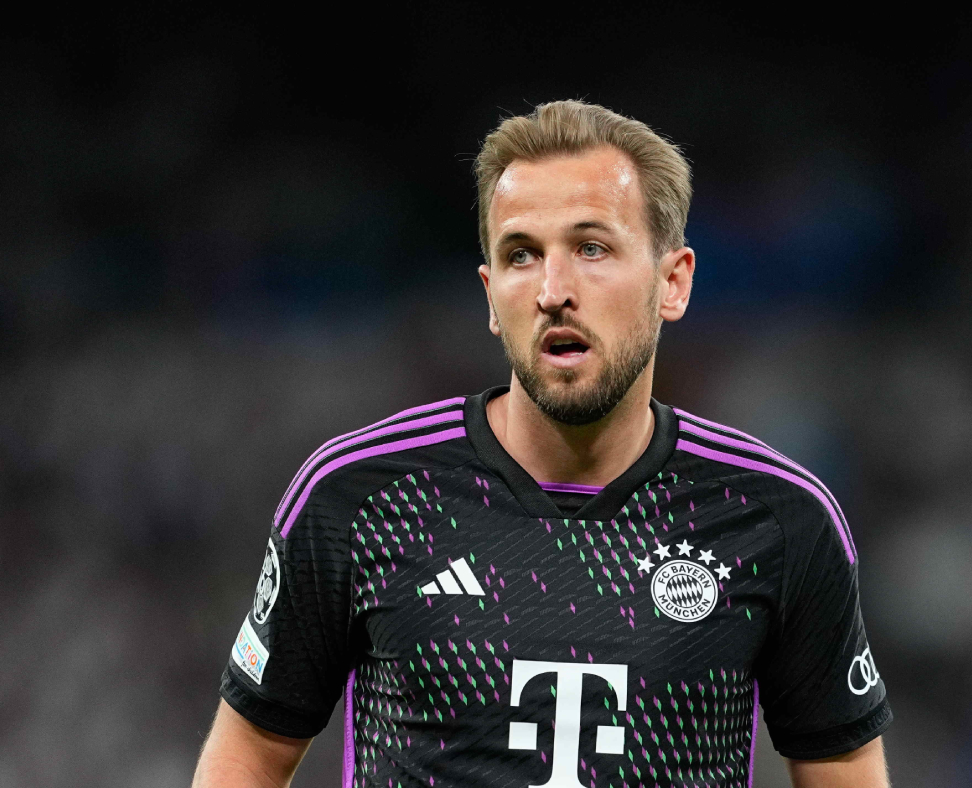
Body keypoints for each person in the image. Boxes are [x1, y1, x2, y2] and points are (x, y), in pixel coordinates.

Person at [192, 100, 891, 788]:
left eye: (591, 247)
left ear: (672, 282)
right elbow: (247, 757)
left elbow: (844, 772)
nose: (554, 290)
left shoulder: (777, 518)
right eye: (521, 255)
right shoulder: (358, 496)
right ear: (491, 296)